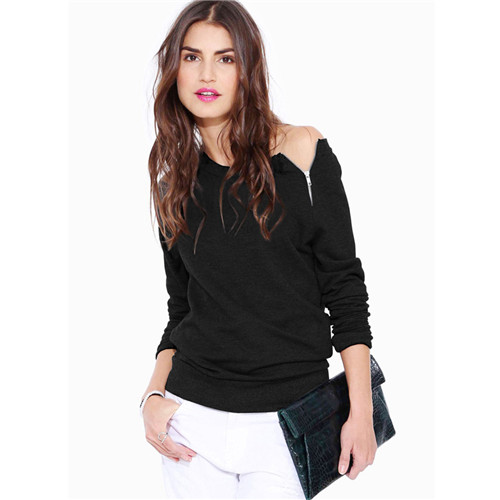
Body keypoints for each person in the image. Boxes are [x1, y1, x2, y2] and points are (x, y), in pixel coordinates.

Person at [140, 1, 377, 498]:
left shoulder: (303, 153)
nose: (207, 74)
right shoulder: (172, 185)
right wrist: (152, 396)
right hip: (192, 423)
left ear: (247, 69)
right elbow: (182, 311)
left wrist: (362, 411)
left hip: (288, 422)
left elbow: (345, 290)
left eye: (225, 58)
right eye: (191, 57)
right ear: (175, 70)